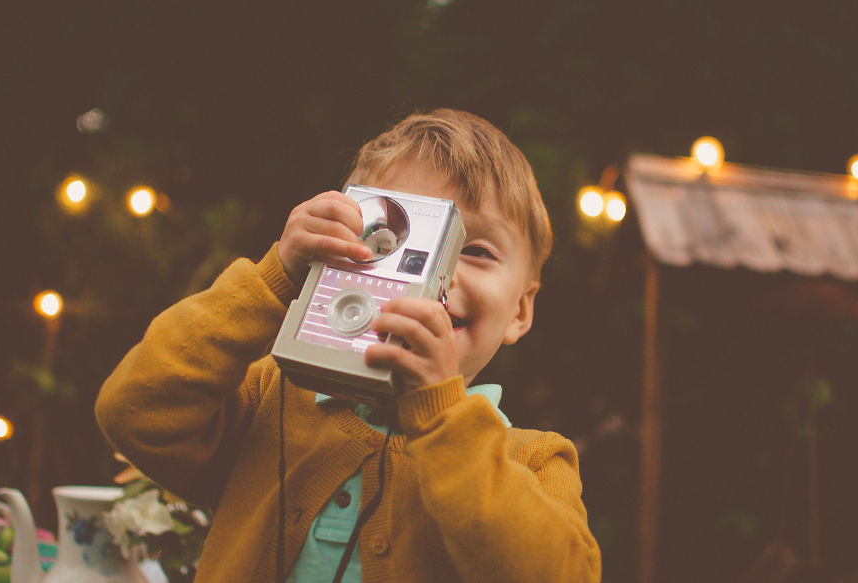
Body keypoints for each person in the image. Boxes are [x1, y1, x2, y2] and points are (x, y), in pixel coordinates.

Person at [95, 108, 601, 582]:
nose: (437, 274)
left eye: (478, 251)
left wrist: (444, 417)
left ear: (520, 311)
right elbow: (135, 412)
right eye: (396, 241)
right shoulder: (270, 401)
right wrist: (276, 279)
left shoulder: (533, 461)